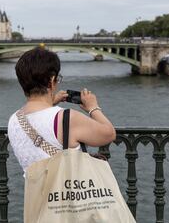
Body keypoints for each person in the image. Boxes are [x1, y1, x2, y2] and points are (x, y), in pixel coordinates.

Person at [8, 47, 116, 176]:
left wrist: (51, 101)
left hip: (35, 194)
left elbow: (38, 117)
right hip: (68, 193)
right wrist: (93, 107)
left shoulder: (15, 119)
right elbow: (108, 134)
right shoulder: (67, 118)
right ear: (52, 81)